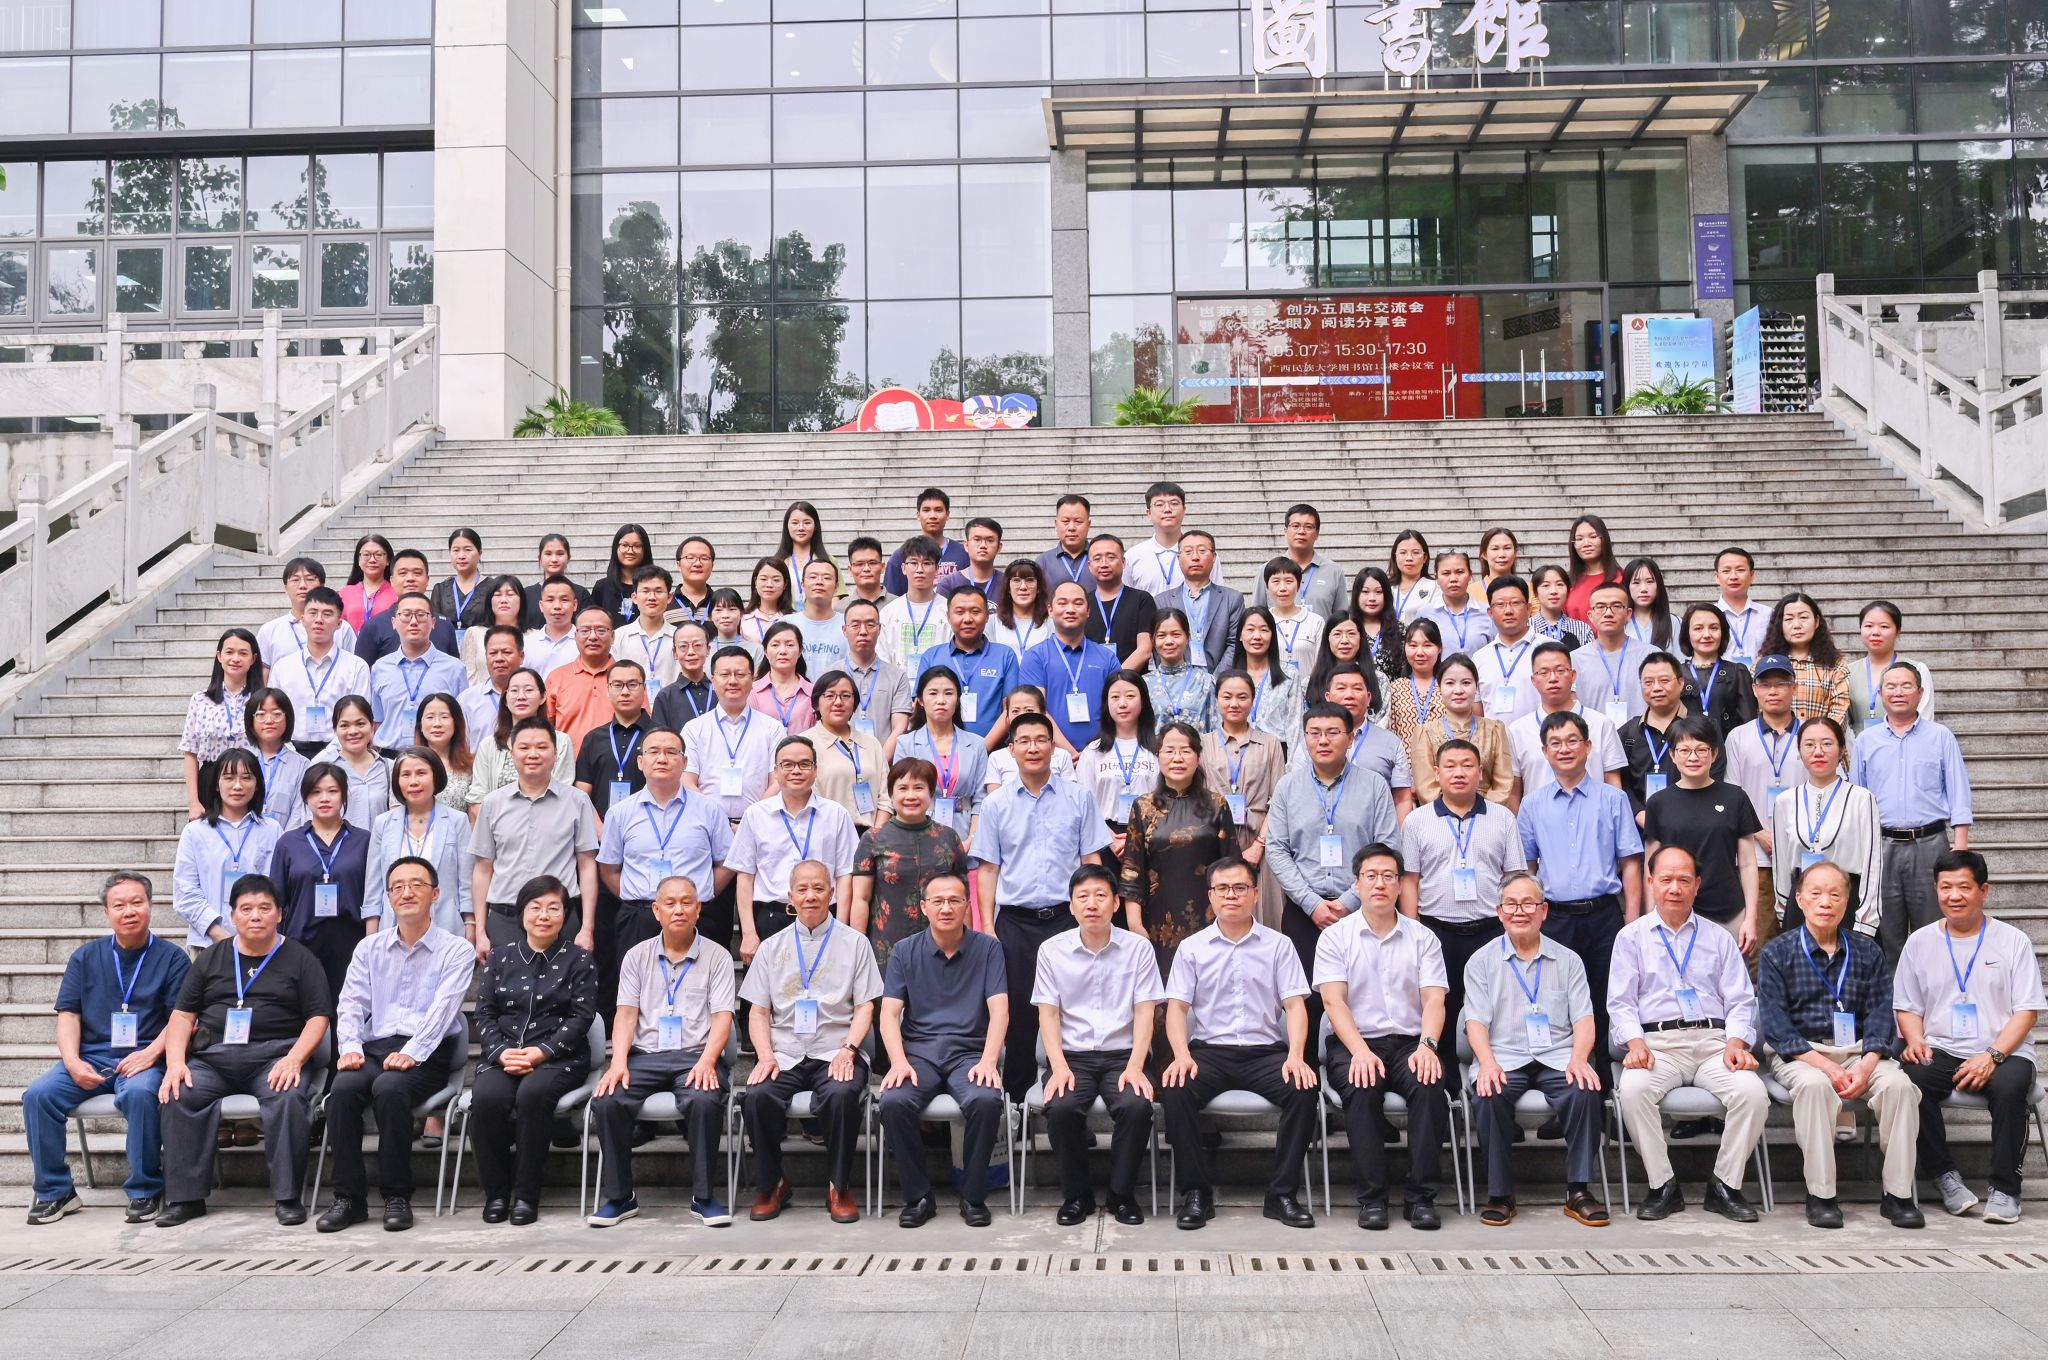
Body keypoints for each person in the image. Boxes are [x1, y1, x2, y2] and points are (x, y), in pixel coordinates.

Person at [154, 875, 332, 1228]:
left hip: (274, 1057)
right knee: (178, 1093)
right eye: (246, 909)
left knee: (287, 1096)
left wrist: (294, 1059)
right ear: (232, 915)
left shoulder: (301, 958)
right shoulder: (211, 958)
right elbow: (182, 1016)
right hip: (213, 1058)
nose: (255, 916)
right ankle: (186, 1198)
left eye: (265, 908)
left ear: (279, 914)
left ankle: (287, 1197)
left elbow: (318, 1018)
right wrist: (174, 1063)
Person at [1756, 860, 1922, 1229]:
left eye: (1835, 894)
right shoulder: (1777, 952)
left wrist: (1867, 1063)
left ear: (1848, 902)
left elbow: (1880, 1013)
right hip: (1802, 1054)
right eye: (1815, 893)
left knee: (1899, 1086)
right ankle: (1821, 1195)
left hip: (1860, 1052)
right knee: (1815, 1087)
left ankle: (1897, 1195)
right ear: (1800, 899)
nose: (1825, 902)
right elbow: (1778, 1028)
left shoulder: (1867, 951)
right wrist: (1827, 1066)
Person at [1610, 846, 1769, 1223]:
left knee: (1753, 1093)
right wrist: (1635, 1043)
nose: (1675, 888)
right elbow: (1620, 1002)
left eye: (1684, 880)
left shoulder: (1719, 937)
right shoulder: (1631, 938)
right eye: (1666, 879)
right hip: (1658, 1047)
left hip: (1714, 1045)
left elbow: (1741, 1000)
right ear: (1651, 882)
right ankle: (1663, 1185)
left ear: (1697, 884)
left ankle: (1724, 1185)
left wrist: (1736, 1043)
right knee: (1632, 1090)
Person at [23, 872, 191, 1226]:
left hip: (146, 1057)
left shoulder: (173, 958)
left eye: (137, 902)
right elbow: (68, 1015)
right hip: (93, 1057)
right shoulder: (85, 957)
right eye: (119, 905)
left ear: (151, 905)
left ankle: (145, 1188)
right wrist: (72, 1061)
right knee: (38, 1095)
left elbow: (182, 1018)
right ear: (106, 912)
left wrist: (151, 1054)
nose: (129, 911)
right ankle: (55, 1191)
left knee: (141, 1094)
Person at [1161, 857, 1320, 1231]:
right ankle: (1196, 1194)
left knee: (1303, 1088)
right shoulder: (1192, 947)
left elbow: (1295, 1006)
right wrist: (1181, 1055)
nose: (1230, 895)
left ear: (1254, 894)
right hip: (1209, 1052)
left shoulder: (1279, 946)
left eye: (1239, 888)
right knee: (1177, 1089)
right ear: (1211, 896)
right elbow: (1177, 1009)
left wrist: (1296, 1056)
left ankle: (1281, 1195)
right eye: (1222, 888)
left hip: (1264, 1052)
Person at [316, 855, 472, 1233]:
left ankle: (396, 1196)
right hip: (376, 1047)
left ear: (435, 894)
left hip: (429, 1052)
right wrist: (350, 1047)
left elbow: (444, 1010)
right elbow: (351, 1003)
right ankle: (348, 1199)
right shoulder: (369, 948)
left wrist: (412, 1052)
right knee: (343, 1089)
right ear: (388, 897)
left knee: (390, 1088)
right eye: (398, 887)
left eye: (417, 884)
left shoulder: (457, 950)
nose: (407, 892)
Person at [1896, 849, 2041, 1224]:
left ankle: (2005, 1189)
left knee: (2009, 1088)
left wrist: (1992, 1055)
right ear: (1936, 890)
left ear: (1984, 890)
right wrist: (1915, 1039)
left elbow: (2027, 1010)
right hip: (1942, 1047)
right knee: (1909, 1080)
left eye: (1964, 887)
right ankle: (1945, 1176)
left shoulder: (2013, 941)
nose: (1954, 895)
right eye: (1945, 887)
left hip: (2005, 1050)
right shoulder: (1920, 942)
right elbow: (1907, 1006)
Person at [976, 710, 1113, 1097]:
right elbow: (988, 869)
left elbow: (1091, 860)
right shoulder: (996, 804)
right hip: (1015, 923)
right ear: (1011, 749)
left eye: (1041, 740)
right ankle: (1017, 1100)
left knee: (1073, 1006)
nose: (1033, 748)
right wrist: (987, 926)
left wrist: (1093, 915)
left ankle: (1070, 1092)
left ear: (1054, 747)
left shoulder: (1078, 797)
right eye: (1024, 741)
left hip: (1067, 920)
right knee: (1019, 1010)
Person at [589, 876, 739, 1228]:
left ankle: (704, 1197)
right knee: (608, 1100)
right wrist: (618, 1062)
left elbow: (723, 1018)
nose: (678, 910)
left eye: (686, 902)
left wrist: (708, 1061)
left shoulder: (717, 956)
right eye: (670, 903)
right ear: (656, 911)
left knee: (703, 1099)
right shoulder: (636, 956)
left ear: (698, 909)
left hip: (696, 1055)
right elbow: (626, 1014)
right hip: (646, 1055)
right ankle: (620, 1197)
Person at [739, 859, 883, 1224]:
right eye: (802, 889)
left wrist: (850, 1050)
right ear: (790, 897)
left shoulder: (855, 943)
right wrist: (765, 1055)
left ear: (832, 893)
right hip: (784, 1051)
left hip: (836, 1047)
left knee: (841, 1094)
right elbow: (758, 1012)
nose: (811, 896)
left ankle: (839, 1186)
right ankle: (772, 1184)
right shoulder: (771, 947)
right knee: (757, 1096)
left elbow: (866, 1007)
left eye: (818, 888)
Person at [1317, 843, 1452, 1230]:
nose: (1380, 883)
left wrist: (1428, 1046)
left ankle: (1421, 1198)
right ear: (1357, 884)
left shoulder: (1422, 937)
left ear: (1400, 885)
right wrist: (1359, 1051)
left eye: (1389, 876)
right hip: (1354, 1042)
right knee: (1362, 1085)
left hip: (1411, 1042)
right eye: (1371, 876)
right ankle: (1372, 1198)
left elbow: (1434, 1000)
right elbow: (1333, 1001)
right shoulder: (1335, 937)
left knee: (1430, 1084)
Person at [1463, 873, 1608, 1228]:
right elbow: (1475, 1022)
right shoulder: (1480, 962)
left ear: (1543, 911)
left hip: (1558, 1056)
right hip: (1503, 1056)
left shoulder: (1568, 960)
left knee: (1585, 1088)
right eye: (1511, 904)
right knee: (1489, 1092)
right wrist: (1487, 1063)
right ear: (1499, 912)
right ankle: (1500, 1194)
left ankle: (1578, 1190)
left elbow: (1584, 1019)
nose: (1520, 911)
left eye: (1528, 903)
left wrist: (1579, 1059)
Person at [1034, 863, 1165, 1226]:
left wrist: (1136, 1065)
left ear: (1116, 903)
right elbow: (1048, 1015)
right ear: (1071, 905)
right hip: (1072, 1057)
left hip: (1124, 1055)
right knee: (1061, 1108)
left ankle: (1121, 1195)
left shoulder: (1138, 948)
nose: (1091, 904)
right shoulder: (1052, 950)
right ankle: (1077, 1196)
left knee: (1136, 1106)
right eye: (1083, 897)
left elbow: (1145, 1012)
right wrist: (1058, 1067)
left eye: (1100, 895)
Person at [878, 872, 1008, 1227]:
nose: (946, 908)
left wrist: (989, 1061)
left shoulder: (988, 949)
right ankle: (919, 1196)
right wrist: (898, 1062)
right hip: (919, 1054)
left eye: (954, 900)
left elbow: (1000, 1011)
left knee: (986, 1100)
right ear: (924, 907)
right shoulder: (904, 951)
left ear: (967, 905)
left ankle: (973, 1196)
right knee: (893, 1102)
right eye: (938, 901)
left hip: (970, 1054)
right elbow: (888, 1014)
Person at [468, 875, 598, 1224]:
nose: (544, 915)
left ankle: (526, 1194)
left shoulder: (579, 960)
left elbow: (581, 1017)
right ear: (521, 913)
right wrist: (499, 1052)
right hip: (504, 1055)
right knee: (486, 1099)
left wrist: (543, 1052)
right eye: (535, 907)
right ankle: (497, 1193)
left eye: (553, 908)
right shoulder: (500, 958)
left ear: (565, 914)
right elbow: (484, 1013)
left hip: (560, 1057)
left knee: (532, 1095)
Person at [1517, 711, 1644, 1063]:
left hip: (1604, 917)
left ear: (1588, 746)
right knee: (1556, 999)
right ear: (1544, 752)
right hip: (1554, 919)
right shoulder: (1532, 804)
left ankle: (1603, 1081)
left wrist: (1631, 919)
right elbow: (1528, 868)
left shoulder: (1613, 799)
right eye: (1555, 743)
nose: (1564, 749)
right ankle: (1564, 1076)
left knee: (1606, 999)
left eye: (1572, 741)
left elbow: (1631, 863)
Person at [1264, 703, 1399, 1034]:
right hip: (1304, 912)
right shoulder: (1287, 787)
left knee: (1363, 994)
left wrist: (1350, 900)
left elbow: (1386, 847)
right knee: (1305, 998)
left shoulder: (1374, 786)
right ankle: (1306, 1064)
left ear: (1350, 738)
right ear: (1305, 738)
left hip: (1361, 911)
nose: (1323, 740)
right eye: (1314, 733)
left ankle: (1361, 1060)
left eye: (1333, 733)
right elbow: (1277, 849)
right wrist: (1311, 903)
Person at [1401, 738, 1527, 1023]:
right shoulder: (1416, 821)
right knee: (1440, 1012)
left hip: (1491, 931)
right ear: (1437, 773)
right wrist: (1413, 932)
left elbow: (1515, 879)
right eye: (1450, 766)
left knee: (1495, 1011)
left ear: (1480, 772)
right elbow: (1409, 881)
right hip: (1436, 932)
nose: (1459, 773)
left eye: (1467, 765)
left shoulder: (1503, 818)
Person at [1851, 661, 1972, 958]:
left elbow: (1958, 790)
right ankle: (1892, 988)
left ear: (1920, 693)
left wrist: (1960, 846)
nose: (1898, 692)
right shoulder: (1866, 741)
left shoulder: (1940, 736)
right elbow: (1857, 800)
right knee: (1886, 932)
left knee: (1933, 929)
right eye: (1891, 686)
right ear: (1880, 693)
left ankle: (1934, 985)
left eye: (1906, 686)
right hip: (1881, 847)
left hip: (1930, 844)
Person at [597, 725, 733, 978]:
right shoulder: (619, 813)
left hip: (696, 917)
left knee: (698, 990)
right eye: (653, 752)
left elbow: (726, 862)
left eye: (671, 752)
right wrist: (639, 900)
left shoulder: (710, 809)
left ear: (684, 762)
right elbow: (609, 869)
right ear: (640, 762)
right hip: (639, 918)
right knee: (637, 992)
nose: (662, 758)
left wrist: (702, 893)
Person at [682, 646, 786, 947]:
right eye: (725, 674)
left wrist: (750, 820)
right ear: (712, 679)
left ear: (752, 679)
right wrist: (718, 821)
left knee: (759, 917)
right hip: (707, 830)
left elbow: (777, 780)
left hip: (759, 827)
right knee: (710, 919)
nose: (732, 681)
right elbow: (687, 779)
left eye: (740, 674)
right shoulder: (695, 728)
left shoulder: (771, 728)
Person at [472, 717, 601, 952]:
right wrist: (480, 931)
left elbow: (586, 865)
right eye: (524, 747)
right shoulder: (492, 803)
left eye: (542, 747)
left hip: (560, 918)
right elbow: (482, 868)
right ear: (512, 753)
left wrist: (587, 928)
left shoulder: (577, 801)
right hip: (505, 917)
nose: (533, 754)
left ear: (556, 753)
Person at [729, 736, 861, 964]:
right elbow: (745, 876)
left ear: (815, 770)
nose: (796, 770)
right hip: (771, 919)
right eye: (787, 764)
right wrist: (749, 933)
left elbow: (844, 875)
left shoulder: (836, 815)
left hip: (824, 919)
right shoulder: (756, 815)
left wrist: (839, 929)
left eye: (804, 764)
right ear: (776, 771)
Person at [1120, 721, 1235, 968]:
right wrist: (1135, 925)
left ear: (1198, 757)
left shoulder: (1217, 805)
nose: (1177, 758)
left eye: (1185, 750)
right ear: (1158, 756)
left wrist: (1230, 919)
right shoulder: (1143, 807)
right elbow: (1132, 870)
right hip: (1157, 921)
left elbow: (1232, 867)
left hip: (1210, 918)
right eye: (1169, 751)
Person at [1644, 717, 1763, 953]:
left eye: (1701, 749)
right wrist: (1651, 916)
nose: (1693, 757)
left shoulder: (1735, 798)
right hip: (1674, 912)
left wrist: (1750, 918)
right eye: (1684, 750)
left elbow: (1748, 864)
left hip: (1728, 912)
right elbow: (1651, 867)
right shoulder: (1658, 803)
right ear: (1673, 755)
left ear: (1714, 753)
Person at [849, 757, 971, 968]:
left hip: (943, 948)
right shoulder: (873, 839)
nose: (911, 796)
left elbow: (963, 897)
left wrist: (968, 947)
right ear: (891, 794)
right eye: (903, 788)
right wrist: (857, 951)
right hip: (887, 950)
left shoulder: (948, 837)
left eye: (919, 788)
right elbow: (861, 898)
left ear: (930, 793)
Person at [1771, 716, 1882, 938]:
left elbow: (1872, 864)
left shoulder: (1861, 798)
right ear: (1800, 751)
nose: (1818, 752)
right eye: (1809, 745)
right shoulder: (1785, 801)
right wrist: (1784, 910)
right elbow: (1781, 865)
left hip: (1846, 902)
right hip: (1801, 903)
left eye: (1827, 744)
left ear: (1841, 751)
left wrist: (1866, 921)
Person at [270, 763, 371, 997]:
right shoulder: (288, 843)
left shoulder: (364, 840)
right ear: (306, 797)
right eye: (315, 792)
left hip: (351, 942)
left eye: (332, 791)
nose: (324, 798)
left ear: (344, 795)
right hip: (301, 942)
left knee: (347, 1010)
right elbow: (277, 900)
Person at [1200, 670, 1287, 931]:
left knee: (1266, 914)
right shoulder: (1202, 744)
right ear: (1216, 699)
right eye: (1227, 697)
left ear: (1253, 699)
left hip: (1262, 839)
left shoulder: (1270, 744)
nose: (1234, 703)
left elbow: (1279, 801)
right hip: (1215, 839)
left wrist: (1259, 845)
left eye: (1242, 697)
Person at [1724, 654, 1801, 942]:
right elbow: (1733, 794)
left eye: (1781, 684)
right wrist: (1759, 832)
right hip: (1757, 856)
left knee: (1802, 937)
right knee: (1760, 940)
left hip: (1803, 853)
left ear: (1794, 688)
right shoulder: (1738, 737)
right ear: (1755, 689)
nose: (1773, 691)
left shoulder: (1811, 734)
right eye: (1765, 685)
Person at [363, 750, 474, 948]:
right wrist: (371, 937)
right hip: (393, 930)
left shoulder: (457, 821)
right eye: (406, 775)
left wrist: (470, 926)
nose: (413, 782)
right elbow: (374, 886)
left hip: (445, 927)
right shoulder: (383, 823)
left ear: (435, 776)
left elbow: (466, 883)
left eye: (421, 773)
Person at [173, 749, 283, 948]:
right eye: (229, 777)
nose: (237, 786)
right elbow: (185, 891)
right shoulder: (195, 832)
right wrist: (217, 933)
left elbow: (276, 886)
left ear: (257, 784)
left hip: (261, 942)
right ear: (217, 784)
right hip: (207, 943)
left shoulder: (272, 830)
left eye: (246, 778)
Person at [1506, 642, 1628, 796]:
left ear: (1573, 675)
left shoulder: (1601, 724)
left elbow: (1613, 784)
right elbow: (1515, 791)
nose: (1553, 678)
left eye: (1560, 671)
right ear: (1533, 680)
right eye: (1544, 672)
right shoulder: (1517, 731)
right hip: (1538, 812)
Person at [1019, 581, 1119, 755]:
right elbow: (1035, 710)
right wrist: (1070, 753)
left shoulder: (1107, 657)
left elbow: (1119, 707)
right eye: (1062, 603)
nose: (1070, 609)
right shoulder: (1035, 657)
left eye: (1078, 603)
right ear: (1050, 610)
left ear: (1088, 611)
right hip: (1051, 755)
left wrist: (1091, 754)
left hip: (1102, 753)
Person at [896, 667, 985, 853]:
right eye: (933, 693)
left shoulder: (976, 744)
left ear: (958, 699)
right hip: (918, 839)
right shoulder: (906, 744)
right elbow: (901, 796)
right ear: (920, 700)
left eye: (949, 693)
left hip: (965, 838)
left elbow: (981, 799)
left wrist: (972, 840)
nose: (941, 700)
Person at [272, 586, 370, 754]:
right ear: (302, 619)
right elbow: (275, 713)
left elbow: (360, 716)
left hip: (341, 752)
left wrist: (327, 755)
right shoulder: (282, 667)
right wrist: (292, 754)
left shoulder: (356, 667)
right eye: (313, 613)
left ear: (339, 623)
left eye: (327, 614)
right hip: (291, 751)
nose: (319, 620)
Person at [1408, 654, 1514, 807]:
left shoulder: (1494, 730)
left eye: (1466, 683)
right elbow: (1426, 789)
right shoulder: (1425, 733)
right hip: (1440, 815)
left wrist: (1479, 810)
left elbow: (1503, 784)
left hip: (1488, 812)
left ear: (1476, 687)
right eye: (1450, 683)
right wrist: (1455, 810)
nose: (1458, 690)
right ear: (1439, 687)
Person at [367, 594, 468, 750]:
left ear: (433, 622)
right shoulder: (380, 668)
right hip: (389, 756)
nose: (413, 622)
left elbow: (462, 722)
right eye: (406, 615)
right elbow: (378, 720)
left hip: (435, 757)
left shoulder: (454, 669)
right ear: (394, 622)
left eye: (421, 615)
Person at [919, 588, 1019, 743]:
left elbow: (1010, 710)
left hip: (992, 749)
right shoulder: (931, 656)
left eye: (975, 611)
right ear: (948, 617)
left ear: (987, 616)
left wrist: (981, 750)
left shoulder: (1005, 656)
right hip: (939, 749)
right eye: (959, 612)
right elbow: (921, 708)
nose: (967, 619)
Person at [1076, 670, 1160, 853]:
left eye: (1130, 696)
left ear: (1144, 701)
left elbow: (1166, 801)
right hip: (1104, 839)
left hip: (1151, 836)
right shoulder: (1093, 752)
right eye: (1115, 697)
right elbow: (1085, 803)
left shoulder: (1158, 749)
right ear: (1106, 704)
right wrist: (1110, 840)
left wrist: (1141, 837)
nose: (1122, 703)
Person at [180, 628, 260, 820]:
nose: (235, 658)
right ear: (219, 656)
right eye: (229, 652)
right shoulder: (200, 700)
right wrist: (193, 802)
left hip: (249, 779)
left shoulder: (261, 700)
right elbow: (190, 752)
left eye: (243, 653)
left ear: (253, 659)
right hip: (210, 779)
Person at [803, 669, 892, 833]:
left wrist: (875, 835)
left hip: (872, 835)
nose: (838, 702)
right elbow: (805, 799)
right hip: (826, 833)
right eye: (830, 695)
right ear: (816, 703)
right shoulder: (805, 744)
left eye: (845, 696)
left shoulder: (871, 743)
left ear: (854, 703)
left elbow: (885, 797)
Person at [468, 666, 574, 804]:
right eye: (514, 691)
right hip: (498, 817)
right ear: (505, 700)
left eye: (529, 690)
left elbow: (564, 794)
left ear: (543, 697)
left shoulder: (561, 741)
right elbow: (477, 799)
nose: (521, 697)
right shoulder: (488, 745)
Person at [572, 660, 654, 827]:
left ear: (644, 689)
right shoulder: (593, 738)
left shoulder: (660, 737)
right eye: (617, 685)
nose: (625, 692)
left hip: (650, 829)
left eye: (632, 685)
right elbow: (582, 795)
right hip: (600, 831)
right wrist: (600, 831)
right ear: (608, 690)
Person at [1618, 652, 1698, 817]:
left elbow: (1714, 777)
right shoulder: (1628, 733)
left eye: (1664, 681)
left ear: (1681, 683)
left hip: (1692, 820)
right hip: (1641, 825)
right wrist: (1639, 813)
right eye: (1648, 682)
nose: (1656, 688)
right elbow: (1621, 783)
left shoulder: (1703, 729)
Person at [257, 557, 358, 679]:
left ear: (322, 585)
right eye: (295, 580)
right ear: (285, 588)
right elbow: (263, 676)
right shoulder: (269, 630)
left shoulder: (342, 628)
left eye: (310, 579)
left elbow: (353, 666)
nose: (302, 585)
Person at [1156, 529, 1242, 673]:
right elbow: (1158, 645)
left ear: (1214, 557)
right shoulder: (1162, 601)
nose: (1195, 557)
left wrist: (1216, 681)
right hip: (1176, 679)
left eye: (1202, 551)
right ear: (1178, 557)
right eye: (1188, 552)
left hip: (1218, 679)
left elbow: (1234, 644)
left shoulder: (1232, 599)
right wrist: (1178, 679)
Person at [1761, 591, 1852, 723]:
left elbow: (1840, 710)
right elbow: (1756, 707)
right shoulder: (1765, 663)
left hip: (1822, 735)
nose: (1797, 625)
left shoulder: (1835, 664)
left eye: (1803, 617)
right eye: (1789, 619)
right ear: (1780, 625)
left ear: (1816, 621)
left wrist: (1821, 734)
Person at [353, 553, 460, 666]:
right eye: (403, 573)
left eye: (417, 573)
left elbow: (453, 668)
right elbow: (362, 671)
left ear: (427, 580)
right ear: (392, 580)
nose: (410, 579)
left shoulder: (444, 624)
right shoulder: (374, 626)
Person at [843, 597, 914, 762]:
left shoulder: (897, 676)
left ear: (880, 629)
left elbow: (900, 727)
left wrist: (879, 764)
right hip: (841, 764)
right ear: (844, 630)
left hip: (885, 766)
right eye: (855, 625)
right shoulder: (831, 674)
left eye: (870, 625)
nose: (863, 631)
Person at [1847, 600, 1934, 735]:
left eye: (1884, 626)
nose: (1875, 632)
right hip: (1858, 746)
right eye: (1869, 626)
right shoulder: (1846, 672)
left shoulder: (1918, 669)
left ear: (1897, 630)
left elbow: (1925, 720)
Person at [306, 694, 392, 827]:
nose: (353, 731)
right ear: (335, 730)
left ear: (372, 726)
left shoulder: (388, 768)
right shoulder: (321, 765)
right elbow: (309, 816)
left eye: (360, 724)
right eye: (344, 725)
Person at [1677, 603, 1757, 738]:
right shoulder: (1675, 673)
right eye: (1698, 628)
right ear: (1687, 634)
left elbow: (1749, 723)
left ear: (1723, 632)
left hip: (1729, 748)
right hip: (1687, 747)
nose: (1707, 635)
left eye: (1714, 628)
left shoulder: (1738, 672)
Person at [1573, 582, 1648, 724]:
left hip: (1641, 736)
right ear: (1590, 615)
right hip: (1593, 736)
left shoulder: (1649, 656)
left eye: (1616, 606)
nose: (1608, 613)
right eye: (1600, 607)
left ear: (1628, 614)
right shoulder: (1575, 659)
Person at [544, 605, 620, 747]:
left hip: (618, 760)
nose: (593, 637)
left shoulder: (627, 678)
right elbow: (544, 729)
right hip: (569, 759)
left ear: (613, 636)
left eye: (601, 630)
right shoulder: (557, 678)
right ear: (575, 636)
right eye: (585, 631)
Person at [1474, 576, 1539, 727]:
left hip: (1539, 739)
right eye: (1500, 604)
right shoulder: (1480, 657)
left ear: (1529, 609)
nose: (1508, 610)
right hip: (1493, 740)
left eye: (1515, 603)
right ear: (1490, 612)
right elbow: (1477, 711)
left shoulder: (1550, 650)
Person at [1233, 606, 1302, 750]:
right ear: (1240, 635)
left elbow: (1295, 726)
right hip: (1238, 752)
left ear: (1272, 636)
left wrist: (1291, 763)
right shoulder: (1230, 678)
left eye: (1264, 630)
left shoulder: (1289, 674)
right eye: (1250, 629)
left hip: (1278, 752)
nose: (1257, 636)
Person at [984, 686, 1079, 790]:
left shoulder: (1062, 756)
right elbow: (994, 798)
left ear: (1044, 713)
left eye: (1029, 710)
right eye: (1015, 711)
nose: (1022, 716)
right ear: (1007, 716)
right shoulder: (996, 758)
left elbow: (1071, 795)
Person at [1085, 534, 1157, 671]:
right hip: (1091, 679)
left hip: (1132, 680)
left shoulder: (1142, 599)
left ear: (1123, 562)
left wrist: (1116, 678)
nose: (1104, 564)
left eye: (1111, 557)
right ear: (1089, 565)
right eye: (1097, 558)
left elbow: (1144, 650)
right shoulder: (1083, 603)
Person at [878, 536, 951, 669]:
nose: (920, 570)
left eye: (927, 563)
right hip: (897, 682)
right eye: (913, 563)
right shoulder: (888, 613)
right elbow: (882, 659)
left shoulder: (948, 611)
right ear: (903, 568)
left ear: (937, 569)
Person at [883, 487, 970, 596]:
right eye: (926, 510)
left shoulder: (963, 553)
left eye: (938, 510)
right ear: (918, 515)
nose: (932, 516)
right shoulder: (900, 555)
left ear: (947, 515)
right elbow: (892, 597)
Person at [614, 566, 683, 695]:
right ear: (634, 597)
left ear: (669, 597)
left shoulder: (681, 638)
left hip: (671, 704)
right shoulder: (618, 637)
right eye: (645, 591)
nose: (652, 597)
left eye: (658, 591)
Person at [246, 689, 309, 828]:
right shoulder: (241, 761)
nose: (269, 720)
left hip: (286, 839)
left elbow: (299, 812)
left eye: (276, 714)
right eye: (261, 714)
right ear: (251, 720)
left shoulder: (302, 765)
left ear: (288, 718)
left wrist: (286, 840)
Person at [1383, 620, 1445, 746]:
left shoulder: (1448, 686)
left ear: (1439, 648)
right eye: (1413, 645)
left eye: (1427, 645)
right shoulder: (1395, 688)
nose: (1420, 652)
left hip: (1443, 757)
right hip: (1403, 758)